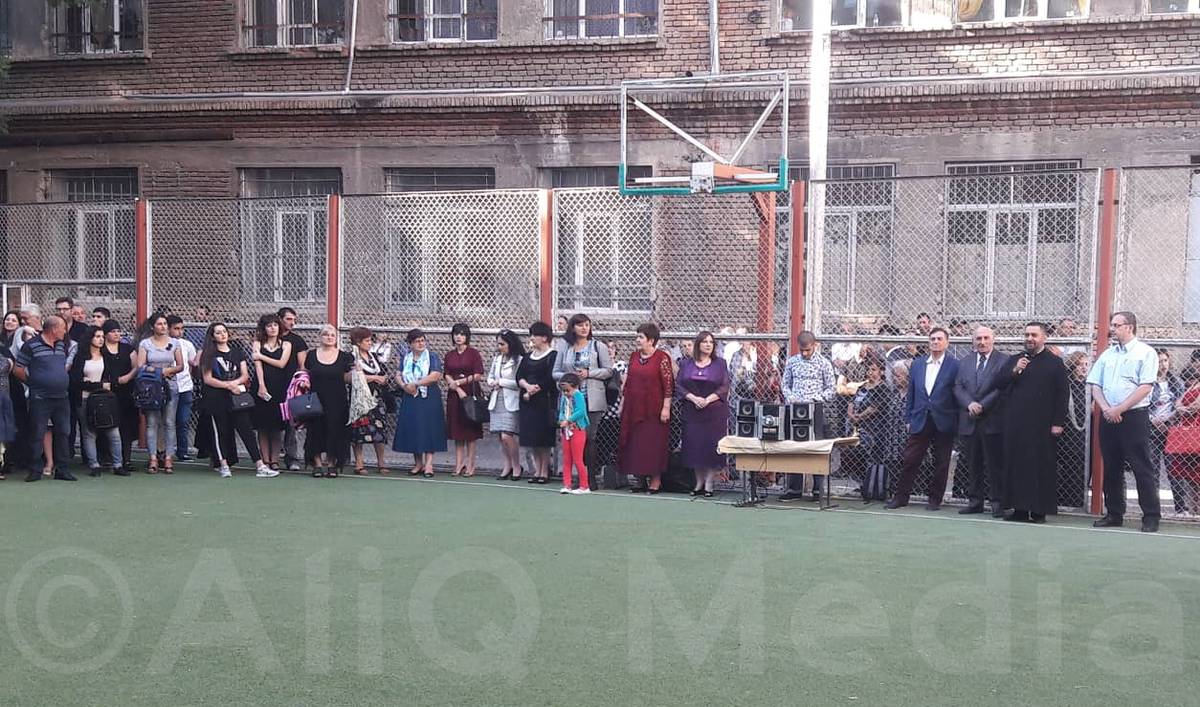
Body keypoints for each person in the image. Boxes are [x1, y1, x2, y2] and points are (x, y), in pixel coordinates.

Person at [1087, 311, 1162, 533]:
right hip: (1108, 416)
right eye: (1112, 325)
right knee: (1112, 466)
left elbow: (1145, 386)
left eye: (1116, 325)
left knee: (1141, 467)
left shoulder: (1145, 353)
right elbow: (1095, 384)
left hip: (1134, 417)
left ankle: (1151, 516)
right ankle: (1114, 513)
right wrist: (1106, 409)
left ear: (1129, 327)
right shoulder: (1107, 355)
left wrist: (1120, 408)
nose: (1112, 329)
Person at [986, 323, 1068, 523]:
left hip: (1042, 426)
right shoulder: (1015, 360)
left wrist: (1058, 422)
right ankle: (1020, 510)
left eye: (1034, 335)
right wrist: (1015, 370)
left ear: (1044, 338)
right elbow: (998, 383)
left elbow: (1062, 394)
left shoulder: (1055, 363)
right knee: (1016, 466)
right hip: (1016, 425)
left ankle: (1039, 511)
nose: (1030, 338)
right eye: (1027, 335)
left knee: (1041, 467)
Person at [887, 328, 960, 511]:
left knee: (941, 462)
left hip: (944, 420)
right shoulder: (918, 364)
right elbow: (911, 392)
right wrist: (909, 418)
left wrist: (955, 419)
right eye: (932, 339)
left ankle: (934, 500)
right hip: (920, 419)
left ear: (947, 342)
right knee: (910, 459)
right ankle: (901, 497)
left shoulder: (954, 365)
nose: (935, 342)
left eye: (939, 339)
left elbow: (957, 393)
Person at [199, 322, 275, 479]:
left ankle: (260, 465)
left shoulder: (237, 352)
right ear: (212, 336)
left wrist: (235, 383)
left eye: (224, 331)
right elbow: (208, 379)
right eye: (218, 332)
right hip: (216, 398)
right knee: (220, 431)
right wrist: (228, 386)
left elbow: (245, 374)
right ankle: (223, 465)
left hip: (236, 397)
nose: (222, 335)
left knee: (246, 430)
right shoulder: (208, 354)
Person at [953, 326, 1011, 517]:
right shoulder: (965, 362)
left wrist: (982, 405)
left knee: (995, 465)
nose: (982, 342)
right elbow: (958, 387)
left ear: (993, 339)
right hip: (969, 421)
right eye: (978, 338)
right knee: (972, 464)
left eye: (986, 338)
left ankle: (997, 503)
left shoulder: (1004, 360)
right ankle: (975, 501)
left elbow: (1002, 388)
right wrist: (969, 404)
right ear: (973, 341)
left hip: (993, 420)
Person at [552, 313, 615, 481]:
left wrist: (589, 373)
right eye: (580, 325)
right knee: (573, 438)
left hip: (592, 398)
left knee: (589, 437)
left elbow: (608, 371)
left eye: (587, 324)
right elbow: (555, 372)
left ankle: (591, 478)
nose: (584, 328)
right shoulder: (564, 347)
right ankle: (576, 477)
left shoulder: (598, 346)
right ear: (573, 328)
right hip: (571, 400)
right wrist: (569, 377)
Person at [14, 315, 75, 481]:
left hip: (62, 397)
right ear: (54, 329)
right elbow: (18, 369)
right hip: (40, 398)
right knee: (37, 433)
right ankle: (35, 470)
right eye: (62, 328)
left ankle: (62, 469)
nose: (65, 331)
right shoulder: (31, 345)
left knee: (63, 433)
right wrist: (34, 384)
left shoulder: (61, 345)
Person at [779, 331, 837, 502]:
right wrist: (791, 398)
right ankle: (794, 488)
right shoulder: (792, 362)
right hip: (795, 410)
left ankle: (818, 489)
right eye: (802, 350)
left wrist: (816, 399)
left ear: (815, 345)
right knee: (794, 447)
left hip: (815, 411)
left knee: (816, 448)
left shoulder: (824, 363)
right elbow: (785, 384)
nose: (805, 353)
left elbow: (831, 388)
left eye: (808, 350)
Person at [619, 322, 674, 494]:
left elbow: (668, 385)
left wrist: (666, 408)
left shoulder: (662, 358)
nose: (637, 340)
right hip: (633, 408)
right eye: (637, 336)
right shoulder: (634, 356)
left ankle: (655, 481)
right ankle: (639, 479)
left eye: (641, 337)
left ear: (651, 340)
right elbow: (628, 382)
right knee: (635, 444)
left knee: (653, 444)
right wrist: (622, 403)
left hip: (653, 410)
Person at [675, 330, 729, 498]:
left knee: (711, 447)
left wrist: (707, 399)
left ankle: (709, 482)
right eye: (705, 342)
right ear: (698, 344)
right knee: (695, 447)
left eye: (711, 342)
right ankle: (699, 482)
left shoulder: (720, 364)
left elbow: (724, 386)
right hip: (692, 412)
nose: (708, 345)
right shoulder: (686, 364)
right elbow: (679, 385)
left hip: (714, 413)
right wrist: (693, 398)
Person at [69, 326, 123, 477]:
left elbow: (111, 378)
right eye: (97, 336)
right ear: (90, 338)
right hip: (85, 399)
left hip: (105, 399)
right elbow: (76, 381)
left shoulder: (106, 356)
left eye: (102, 337)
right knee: (89, 433)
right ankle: (94, 465)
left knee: (113, 432)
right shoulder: (80, 357)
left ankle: (118, 464)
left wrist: (105, 385)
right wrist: (97, 385)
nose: (100, 340)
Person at [393, 328, 446, 477]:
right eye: (417, 341)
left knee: (429, 428)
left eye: (423, 340)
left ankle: (429, 464)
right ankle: (418, 463)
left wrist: (416, 384)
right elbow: (398, 375)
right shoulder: (406, 358)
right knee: (414, 428)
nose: (421, 343)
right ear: (410, 344)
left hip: (428, 396)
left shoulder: (432, 357)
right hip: (411, 396)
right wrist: (404, 386)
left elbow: (435, 375)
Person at [301, 324, 353, 478]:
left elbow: (348, 377)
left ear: (336, 338)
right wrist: (304, 381)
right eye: (326, 334)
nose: (329, 337)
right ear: (320, 337)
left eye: (332, 335)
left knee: (334, 430)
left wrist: (357, 372)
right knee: (315, 430)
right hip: (315, 399)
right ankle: (317, 464)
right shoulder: (311, 355)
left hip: (337, 400)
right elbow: (305, 372)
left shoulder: (344, 356)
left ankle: (332, 464)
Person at [136, 313, 185, 474]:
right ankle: (153, 458)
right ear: (152, 326)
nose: (163, 327)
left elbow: (180, 366)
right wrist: (158, 372)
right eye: (159, 324)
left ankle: (168, 457)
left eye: (164, 324)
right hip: (151, 387)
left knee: (169, 422)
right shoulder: (145, 344)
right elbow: (141, 366)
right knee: (152, 422)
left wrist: (167, 371)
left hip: (170, 386)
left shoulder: (174, 343)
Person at [517, 321, 558, 484]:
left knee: (543, 439)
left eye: (535, 335)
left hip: (545, 401)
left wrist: (535, 389)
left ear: (545, 337)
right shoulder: (528, 357)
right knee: (532, 438)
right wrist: (526, 387)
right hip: (528, 402)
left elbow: (550, 377)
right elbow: (519, 376)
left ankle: (545, 471)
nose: (532, 338)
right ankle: (536, 470)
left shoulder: (553, 355)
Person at [251, 313, 293, 472]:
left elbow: (281, 363)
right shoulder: (257, 343)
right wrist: (261, 385)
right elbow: (258, 366)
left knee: (276, 426)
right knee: (262, 425)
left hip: (280, 387)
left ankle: (275, 460)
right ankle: (265, 459)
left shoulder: (286, 344)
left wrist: (261, 356)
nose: (273, 328)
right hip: (262, 386)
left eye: (275, 325)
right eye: (269, 325)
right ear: (264, 328)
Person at [847, 355, 892, 502]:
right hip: (857, 428)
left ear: (881, 371)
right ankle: (862, 483)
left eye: (873, 369)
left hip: (874, 429)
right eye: (868, 369)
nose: (870, 372)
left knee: (870, 456)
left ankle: (871, 486)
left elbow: (875, 408)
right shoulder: (862, 387)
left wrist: (859, 416)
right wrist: (851, 414)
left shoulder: (883, 388)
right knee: (851, 455)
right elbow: (851, 401)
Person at [347, 326, 390, 475]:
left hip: (376, 397)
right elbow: (353, 376)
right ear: (358, 342)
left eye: (371, 340)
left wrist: (382, 379)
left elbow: (383, 373)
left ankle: (381, 462)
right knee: (359, 429)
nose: (370, 343)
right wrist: (374, 378)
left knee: (379, 429)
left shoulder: (374, 357)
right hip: (359, 399)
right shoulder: (351, 357)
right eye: (367, 340)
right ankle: (359, 463)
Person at [444, 323, 485, 477]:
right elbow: (446, 373)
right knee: (457, 430)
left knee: (470, 432)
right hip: (454, 395)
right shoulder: (450, 355)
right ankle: (458, 464)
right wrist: (454, 385)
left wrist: (460, 383)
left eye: (462, 334)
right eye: (456, 334)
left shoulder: (474, 353)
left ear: (467, 336)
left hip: (470, 393)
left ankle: (470, 465)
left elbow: (478, 375)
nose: (459, 337)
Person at [100, 320, 137, 474]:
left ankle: (126, 459)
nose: (116, 334)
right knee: (107, 426)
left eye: (118, 331)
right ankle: (107, 458)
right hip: (107, 394)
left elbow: (137, 366)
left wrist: (128, 377)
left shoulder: (127, 348)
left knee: (126, 427)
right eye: (112, 331)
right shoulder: (101, 349)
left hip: (126, 392)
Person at [488, 329, 525, 481]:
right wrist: (492, 383)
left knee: (507, 435)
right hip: (497, 399)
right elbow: (490, 377)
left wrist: (501, 382)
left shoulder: (519, 360)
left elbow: (519, 382)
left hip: (511, 400)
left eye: (502, 344)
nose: (500, 347)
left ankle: (516, 465)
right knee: (500, 436)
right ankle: (507, 465)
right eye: (498, 344)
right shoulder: (497, 359)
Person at [1166, 366, 1200, 515]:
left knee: (1196, 473)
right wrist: (1181, 408)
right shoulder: (1190, 388)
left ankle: (1196, 508)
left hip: (1196, 429)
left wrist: (1182, 409)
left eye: (1190, 379)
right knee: (1191, 475)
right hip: (1187, 431)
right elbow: (1178, 403)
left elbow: (1195, 407)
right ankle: (1194, 509)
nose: (1187, 382)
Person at [278, 306, 309, 471]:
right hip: (272, 385)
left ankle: (292, 458)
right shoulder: (268, 338)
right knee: (272, 424)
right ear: (279, 318)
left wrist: (302, 382)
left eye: (294, 320)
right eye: (289, 319)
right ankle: (271, 458)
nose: (292, 323)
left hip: (291, 387)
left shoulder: (297, 341)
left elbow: (303, 365)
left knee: (291, 424)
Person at [166, 315, 197, 461]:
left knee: (183, 421)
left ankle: (182, 451)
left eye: (181, 328)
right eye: (176, 328)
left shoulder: (187, 345)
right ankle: (166, 452)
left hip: (185, 387)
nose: (180, 332)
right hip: (169, 387)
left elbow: (192, 364)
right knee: (168, 421)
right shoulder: (163, 344)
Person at [557, 373, 591, 494]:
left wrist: (569, 420)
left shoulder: (578, 395)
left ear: (575, 386)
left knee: (578, 459)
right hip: (566, 431)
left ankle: (584, 486)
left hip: (577, 430)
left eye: (567, 390)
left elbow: (581, 411)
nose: (565, 393)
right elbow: (561, 411)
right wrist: (562, 420)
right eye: (563, 390)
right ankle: (567, 485)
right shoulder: (564, 397)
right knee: (567, 459)